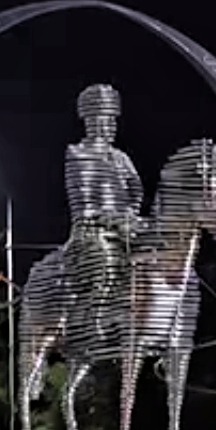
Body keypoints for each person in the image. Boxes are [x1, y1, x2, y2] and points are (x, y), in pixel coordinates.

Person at [62, 84, 144, 352]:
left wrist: (131, 214)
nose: (111, 126)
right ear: (91, 121)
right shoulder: (77, 153)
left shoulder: (121, 157)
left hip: (125, 226)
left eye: (113, 120)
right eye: (105, 120)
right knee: (105, 259)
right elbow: (83, 198)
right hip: (92, 229)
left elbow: (135, 190)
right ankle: (94, 320)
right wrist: (109, 218)